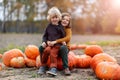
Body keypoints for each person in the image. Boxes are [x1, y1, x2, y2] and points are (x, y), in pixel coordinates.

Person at [38, 7, 65, 76]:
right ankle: (43, 66)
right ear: (50, 18)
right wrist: (44, 42)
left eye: (56, 17)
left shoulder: (60, 27)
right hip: (49, 44)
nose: (54, 19)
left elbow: (63, 36)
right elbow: (45, 36)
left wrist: (62, 42)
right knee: (46, 51)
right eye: (53, 18)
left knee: (53, 53)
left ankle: (53, 68)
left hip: (57, 45)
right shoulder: (48, 27)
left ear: (59, 17)